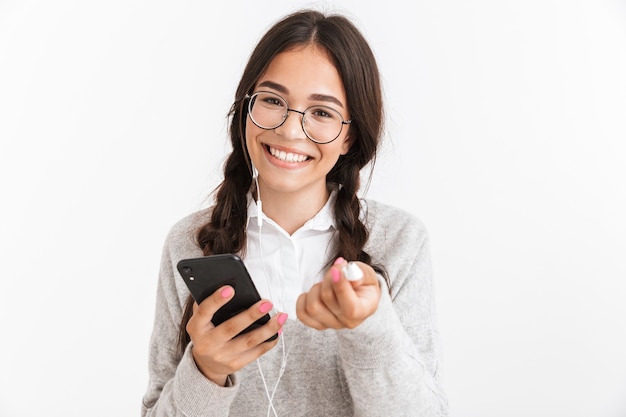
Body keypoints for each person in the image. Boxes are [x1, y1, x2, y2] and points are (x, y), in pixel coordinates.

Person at [141, 8, 448, 417]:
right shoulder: (189, 243)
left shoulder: (399, 241)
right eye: (272, 100)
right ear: (245, 109)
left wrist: (370, 327)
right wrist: (206, 370)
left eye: (322, 112)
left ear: (349, 136)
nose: (289, 130)